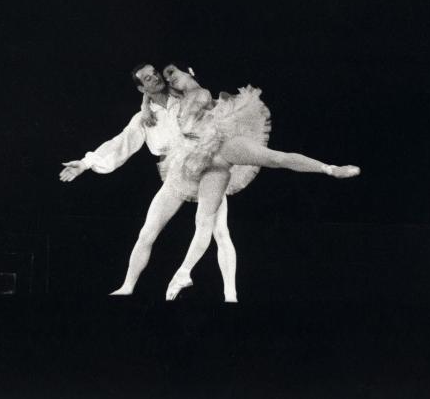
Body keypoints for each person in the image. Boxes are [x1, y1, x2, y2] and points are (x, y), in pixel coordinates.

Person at [160, 64, 361, 300]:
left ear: (189, 71)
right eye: (166, 78)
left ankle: (330, 168)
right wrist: (148, 106)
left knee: (275, 158)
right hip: (208, 163)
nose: (169, 79)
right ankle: (184, 273)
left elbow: (200, 114)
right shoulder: (181, 99)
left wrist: (196, 117)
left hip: (224, 146)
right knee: (203, 221)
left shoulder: (199, 93)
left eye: (172, 72)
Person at [59, 64, 239, 302]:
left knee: (220, 231)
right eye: (147, 79)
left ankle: (231, 295)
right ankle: (127, 287)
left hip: (206, 166)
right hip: (176, 173)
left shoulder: (184, 98)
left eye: (154, 73)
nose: (154, 78)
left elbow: (209, 102)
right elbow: (121, 141)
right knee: (147, 231)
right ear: (141, 88)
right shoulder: (144, 118)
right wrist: (85, 163)